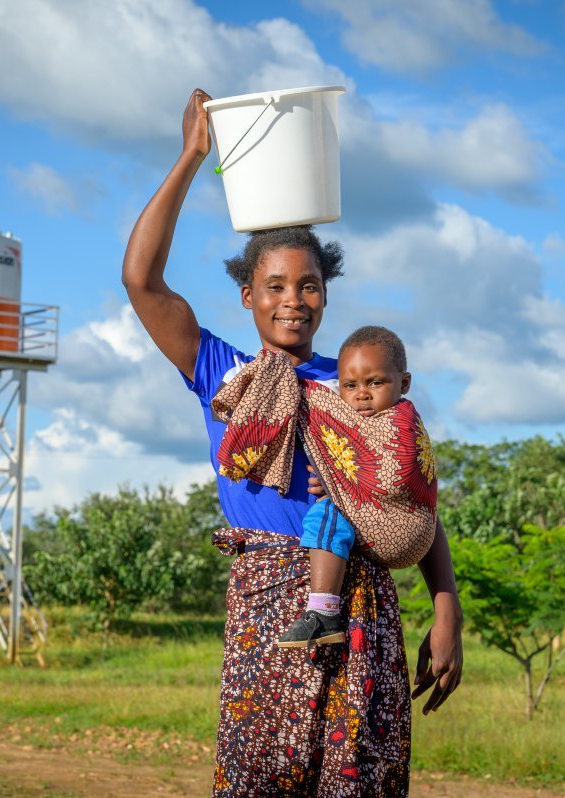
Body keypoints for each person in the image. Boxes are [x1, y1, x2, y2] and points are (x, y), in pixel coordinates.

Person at [121, 87, 463, 798]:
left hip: (359, 606)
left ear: (325, 297)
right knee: (257, 778)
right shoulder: (224, 374)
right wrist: (190, 157)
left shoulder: (358, 388)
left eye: (308, 286)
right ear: (248, 294)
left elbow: (408, 497)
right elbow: (142, 280)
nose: (292, 300)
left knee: (358, 780)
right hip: (263, 608)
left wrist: (445, 607)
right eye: (274, 286)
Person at [208, 325, 438, 649]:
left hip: (397, 539)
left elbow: (398, 475)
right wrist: (338, 475)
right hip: (274, 581)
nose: (362, 394)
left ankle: (323, 611)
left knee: (325, 517)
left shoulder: (401, 421)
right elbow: (343, 456)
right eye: (351, 386)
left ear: (404, 383)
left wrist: (340, 481)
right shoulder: (345, 412)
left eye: (376, 382)